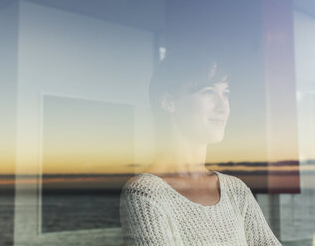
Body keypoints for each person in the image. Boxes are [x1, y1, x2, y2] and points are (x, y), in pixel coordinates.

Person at [119, 54, 282, 246]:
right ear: (168, 102)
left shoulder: (235, 189)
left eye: (226, 93)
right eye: (209, 92)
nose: (223, 107)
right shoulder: (144, 194)